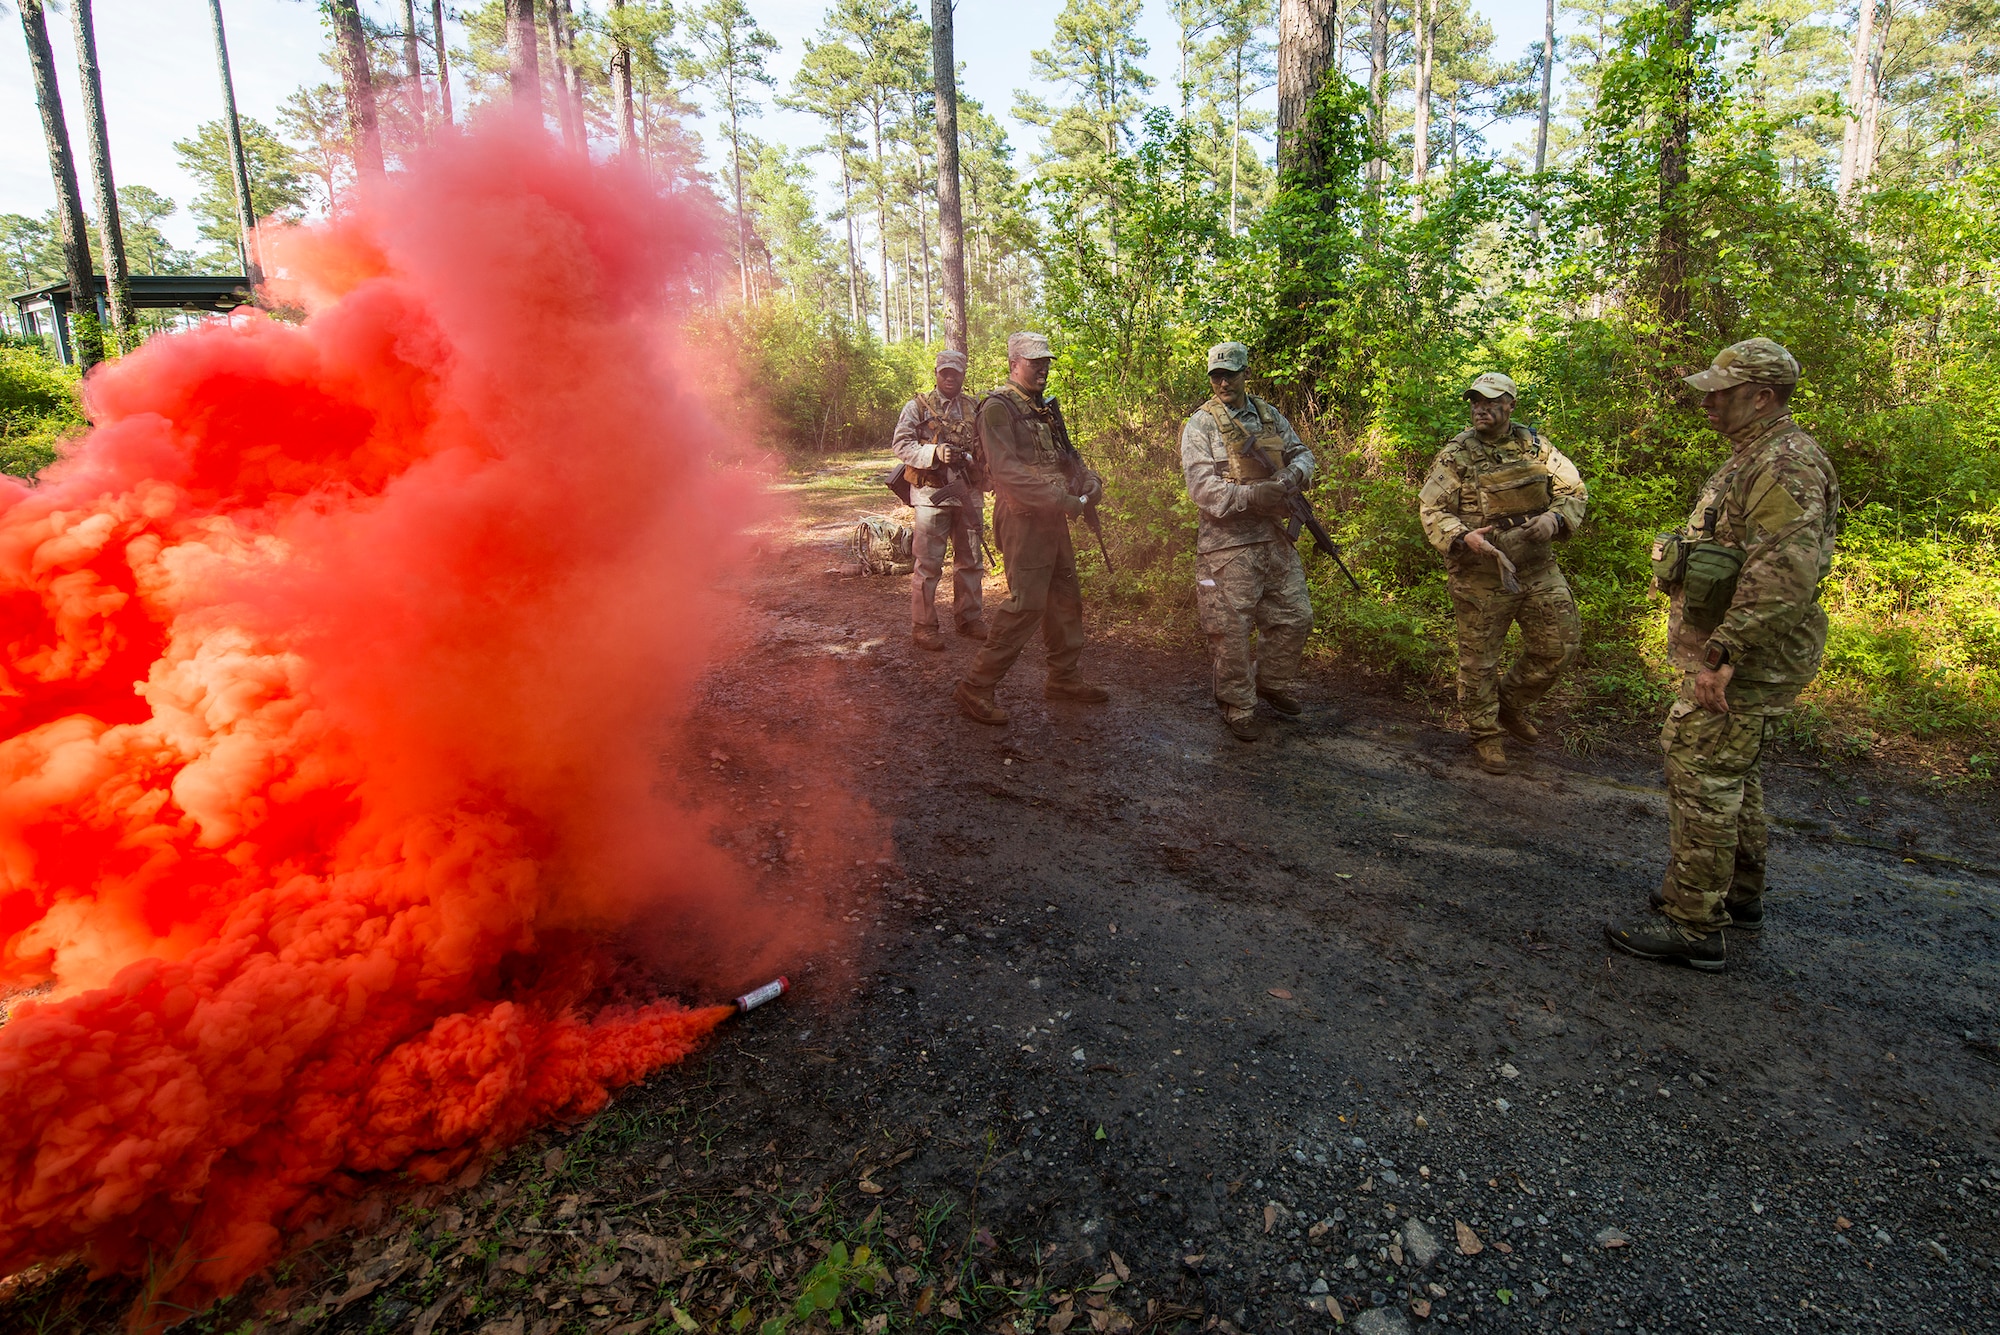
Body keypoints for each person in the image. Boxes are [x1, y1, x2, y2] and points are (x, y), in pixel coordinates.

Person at [1606, 338, 1839, 972]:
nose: (1706, 400)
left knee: (1701, 769)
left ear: (1761, 397)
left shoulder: (1783, 463)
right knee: (1736, 775)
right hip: (1743, 652)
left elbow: (1784, 572)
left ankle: (1694, 926)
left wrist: (1724, 654)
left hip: (1744, 657)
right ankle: (1736, 897)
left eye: (1721, 391)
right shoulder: (1757, 455)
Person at [1417, 372, 1588, 775]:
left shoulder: (1535, 446)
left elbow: (1574, 491)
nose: (1481, 408)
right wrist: (1461, 536)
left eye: (1492, 401)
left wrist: (1556, 519)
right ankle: (1486, 735)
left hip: (1537, 566)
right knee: (1479, 662)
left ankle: (1509, 704)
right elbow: (1432, 510)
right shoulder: (1457, 454)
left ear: (1510, 404)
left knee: (1560, 647)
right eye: (1475, 401)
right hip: (1481, 573)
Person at [953, 333, 1108, 726]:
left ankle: (1064, 678)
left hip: (1052, 520)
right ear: (1014, 364)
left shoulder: (1043, 409)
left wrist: (1088, 480)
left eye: (1046, 362)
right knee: (1026, 605)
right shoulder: (996, 409)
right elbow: (1006, 472)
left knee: (1066, 598)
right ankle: (976, 686)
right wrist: (1063, 501)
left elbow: (1065, 457)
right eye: (1034, 361)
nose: (1042, 368)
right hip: (1023, 519)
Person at [1179, 342, 1317, 742]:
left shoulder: (1270, 416)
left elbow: (1303, 455)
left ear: (1245, 374)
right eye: (1216, 375)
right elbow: (1202, 489)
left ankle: (1271, 682)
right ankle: (1237, 704)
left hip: (1274, 538)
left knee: (1295, 616)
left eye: (1231, 374)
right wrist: (1252, 496)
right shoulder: (1200, 425)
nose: (1223, 381)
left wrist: (1290, 479)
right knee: (1231, 629)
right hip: (1228, 545)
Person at [891, 348, 987, 650]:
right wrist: (934, 453)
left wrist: (976, 463)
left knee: (971, 559)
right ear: (936, 373)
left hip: (968, 494)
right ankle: (924, 626)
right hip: (932, 495)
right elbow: (901, 444)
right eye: (944, 371)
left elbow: (987, 448)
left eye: (955, 373)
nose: (949, 377)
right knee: (928, 563)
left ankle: (969, 618)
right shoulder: (917, 407)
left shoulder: (975, 407)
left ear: (962, 375)